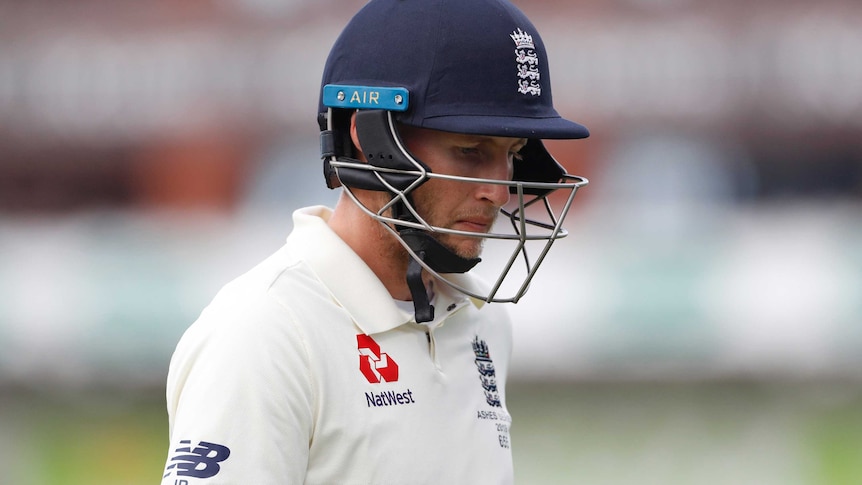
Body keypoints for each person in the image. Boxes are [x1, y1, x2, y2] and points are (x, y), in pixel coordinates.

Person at [160, 0, 589, 483]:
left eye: (510, 155)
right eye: (470, 151)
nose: (497, 189)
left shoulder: (483, 322)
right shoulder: (265, 333)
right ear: (370, 136)